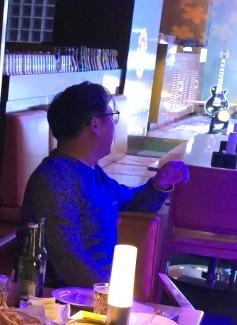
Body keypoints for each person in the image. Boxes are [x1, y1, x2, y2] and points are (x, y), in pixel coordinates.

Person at [20, 81, 188, 289]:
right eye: (112, 117)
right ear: (95, 125)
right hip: (64, 299)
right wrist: (111, 294)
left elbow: (131, 202)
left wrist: (160, 184)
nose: (114, 126)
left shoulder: (91, 171)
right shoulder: (55, 179)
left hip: (94, 292)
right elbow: (68, 260)